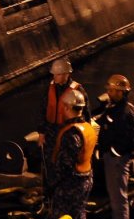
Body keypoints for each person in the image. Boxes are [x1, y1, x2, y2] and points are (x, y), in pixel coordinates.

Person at [39, 58, 87, 204]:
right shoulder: (50, 88)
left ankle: (65, 196)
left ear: (66, 74)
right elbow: (42, 110)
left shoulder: (77, 90)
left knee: (66, 166)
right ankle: (49, 197)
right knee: (49, 164)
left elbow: (86, 115)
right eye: (54, 74)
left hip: (68, 133)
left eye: (58, 74)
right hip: (51, 131)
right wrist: (41, 132)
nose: (55, 77)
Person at [96, 73, 134, 219]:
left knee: (118, 197)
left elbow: (131, 139)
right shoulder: (115, 108)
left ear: (121, 92)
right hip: (113, 158)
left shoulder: (125, 113)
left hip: (117, 161)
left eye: (111, 90)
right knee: (115, 195)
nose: (108, 93)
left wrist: (113, 152)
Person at [48, 87, 97, 219]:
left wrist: (53, 183)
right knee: (79, 213)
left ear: (67, 107)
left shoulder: (71, 133)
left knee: (62, 215)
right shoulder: (88, 128)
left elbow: (65, 164)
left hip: (70, 184)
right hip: (86, 179)